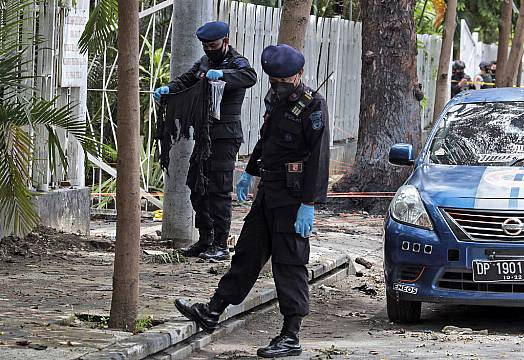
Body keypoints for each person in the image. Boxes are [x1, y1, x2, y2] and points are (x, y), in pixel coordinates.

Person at [174, 44, 330, 358]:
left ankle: (290, 336)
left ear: (299, 74)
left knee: (290, 264)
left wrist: (309, 204)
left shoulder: (313, 105)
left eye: (284, 79)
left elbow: (319, 158)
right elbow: (267, 138)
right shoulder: (276, 98)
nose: (279, 84)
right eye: (274, 79)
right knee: (246, 253)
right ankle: (213, 310)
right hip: (268, 193)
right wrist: (250, 171)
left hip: (293, 197)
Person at [154, 21, 257, 261]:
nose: (210, 49)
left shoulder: (236, 62)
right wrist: (167, 89)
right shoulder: (204, 62)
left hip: (225, 135)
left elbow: (249, 76)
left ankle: (221, 243)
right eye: (206, 46)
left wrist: (223, 75)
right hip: (205, 136)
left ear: (226, 41)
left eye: (214, 45)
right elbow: (185, 80)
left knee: (219, 190)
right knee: (197, 186)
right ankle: (205, 239)